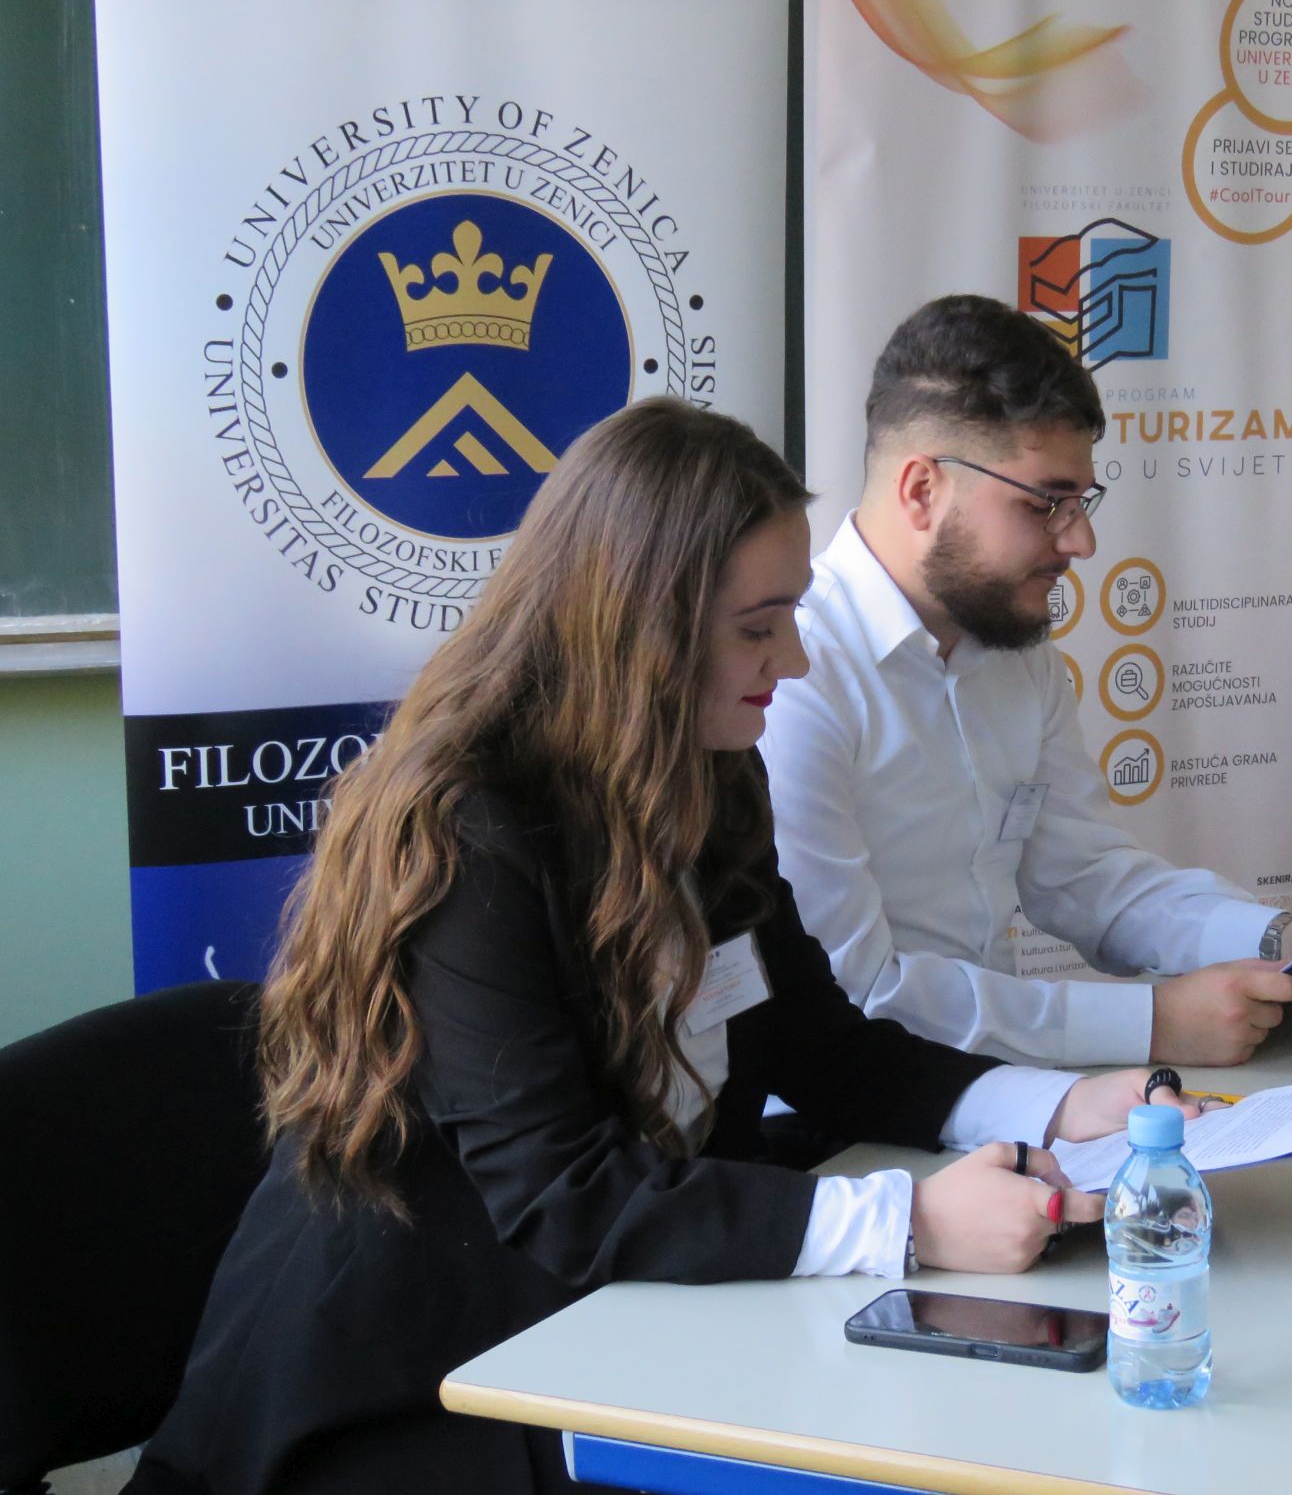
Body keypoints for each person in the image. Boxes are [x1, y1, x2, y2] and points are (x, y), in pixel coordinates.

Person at [129, 398, 1191, 1495]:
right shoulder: (468, 829)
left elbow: (819, 1043)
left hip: (597, 1324)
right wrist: (909, 1219)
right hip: (406, 1389)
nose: (794, 659)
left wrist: (1060, 1108)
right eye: (757, 627)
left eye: (792, 617)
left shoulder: (709, 770)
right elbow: (562, 1194)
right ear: (637, 626)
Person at [758, 294, 1292, 1071]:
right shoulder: (792, 674)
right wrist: (1151, 1022)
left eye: (1082, 501)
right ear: (922, 490)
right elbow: (851, 993)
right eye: (1046, 503)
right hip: (845, 1110)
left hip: (995, 1090)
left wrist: (1278, 940)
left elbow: (1082, 875)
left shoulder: (1015, 649)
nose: (1082, 540)